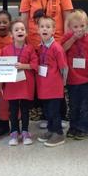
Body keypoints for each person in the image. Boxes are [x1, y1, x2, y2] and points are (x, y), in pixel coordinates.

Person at [61, 10, 88, 140]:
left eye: (82, 26)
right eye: (75, 27)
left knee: (84, 105)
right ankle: (73, 126)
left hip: (85, 79)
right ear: (70, 28)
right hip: (71, 78)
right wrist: (73, 38)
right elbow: (62, 49)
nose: (79, 29)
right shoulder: (67, 37)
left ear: (87, 25)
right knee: (73, 104)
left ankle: (83, 127)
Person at [1, 20, 38, 146]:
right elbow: (2, 68)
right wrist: (1, 85)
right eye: (16, 30)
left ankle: (26, 131)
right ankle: (14, 132)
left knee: (25, 109)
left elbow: (35, 65)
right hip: (12, 85)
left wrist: (23, 65)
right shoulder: (5, 50)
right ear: (11, 34)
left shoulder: (30, 49)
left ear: (26, 33)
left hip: (26, 85)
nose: (20, 31)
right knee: (13, 109)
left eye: (22, 29)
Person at [35, 16, 68, 147]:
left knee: (54, 111)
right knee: (47, 111)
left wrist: (62, 83)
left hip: (54, 87)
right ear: (38, 30)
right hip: (44, 86)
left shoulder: (57, 48)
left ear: (54, 31)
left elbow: (64, 68)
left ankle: (59, 134)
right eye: (42, 26)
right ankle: (51, 130)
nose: (45, 29)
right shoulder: (41, 47)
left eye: (48, 27)